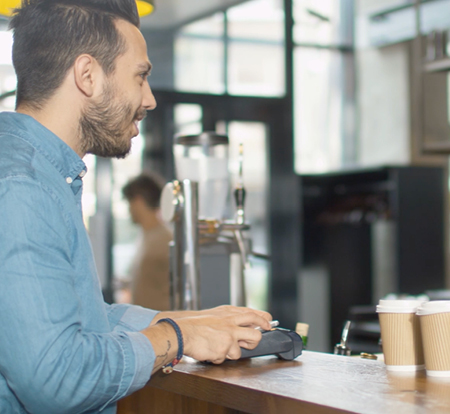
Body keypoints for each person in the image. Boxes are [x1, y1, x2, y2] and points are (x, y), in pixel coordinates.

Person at [0, 1, 271, 413]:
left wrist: (185, 322)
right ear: (87, 75)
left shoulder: (40, 175)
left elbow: (78, 319)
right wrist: (173, 338)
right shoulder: (21, 188)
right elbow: (57, 378)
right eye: (140, 76)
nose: (149, 99)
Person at [122, 172, 172, 311]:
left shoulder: (164, 239)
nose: (129, 210)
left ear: (138, 201)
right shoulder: (146, 236)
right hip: (147, 324)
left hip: (161, 323)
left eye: (129, 203)